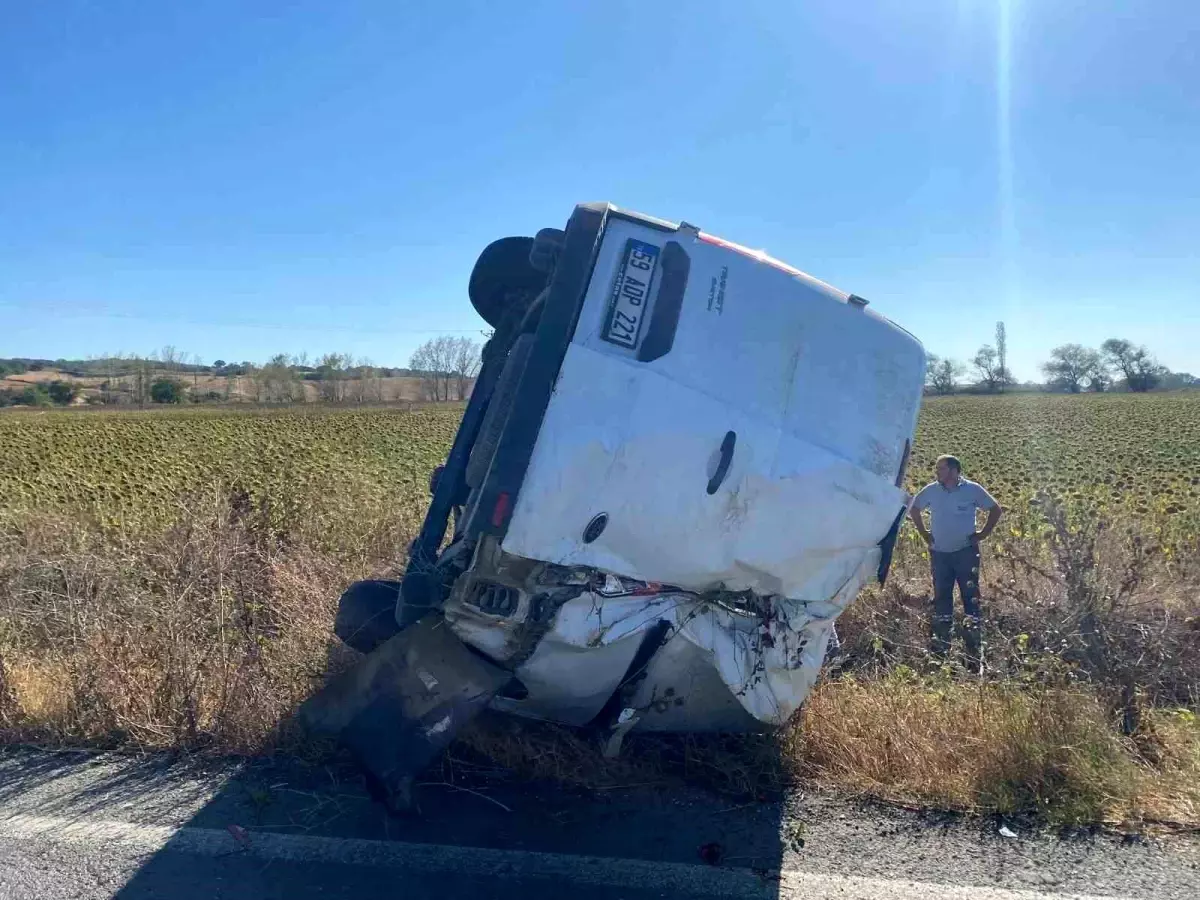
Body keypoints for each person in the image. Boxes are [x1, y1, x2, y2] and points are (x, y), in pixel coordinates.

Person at [908, 455, 1002, 670]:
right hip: (940, 553)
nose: (937, 472)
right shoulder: (931, 489)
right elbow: (914, 508)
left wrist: (983, 534)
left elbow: (995, 509)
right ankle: (941, 648)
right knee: (942, 597)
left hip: (965, 552)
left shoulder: (972, 489)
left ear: (953, 470)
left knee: (971, 597)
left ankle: (974, 649)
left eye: (940, 468)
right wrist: (924, 533)